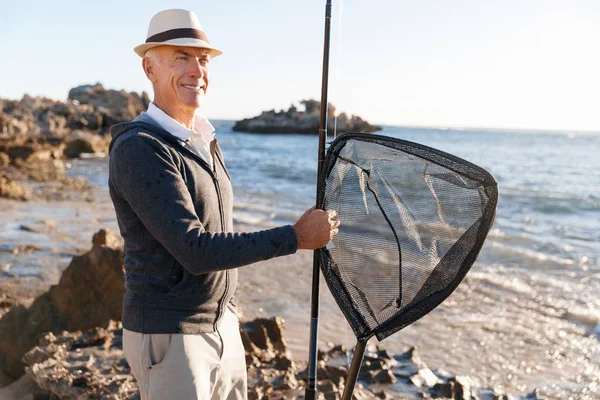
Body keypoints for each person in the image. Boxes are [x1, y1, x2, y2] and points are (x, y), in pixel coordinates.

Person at [108, 9, 339, 400]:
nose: (196, 69)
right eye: (181, 56)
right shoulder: (140, 148)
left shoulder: (204, 140)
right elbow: (194, 250)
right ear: (149, 67)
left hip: (223, 326)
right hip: (171, 334)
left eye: (202, 59)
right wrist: (295, 237)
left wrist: (228, 314)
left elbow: (219, 233)